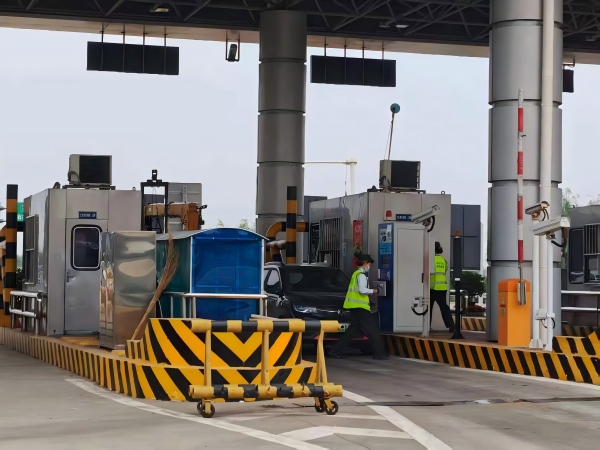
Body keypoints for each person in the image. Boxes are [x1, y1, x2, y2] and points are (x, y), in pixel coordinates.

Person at [328, 254, 388, 360]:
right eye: (369, 264)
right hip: (361, 308)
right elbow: (362, 290)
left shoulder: (355, 274)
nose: (369, 266)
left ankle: (336, 350)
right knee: (373, 329)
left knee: (353, 330)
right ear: (365, 263)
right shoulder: (361, 275)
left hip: (354, 307)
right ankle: (380, 353)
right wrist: (374, 291)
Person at [430, 242, 455, 332]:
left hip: (431, 287)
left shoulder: (430, 260)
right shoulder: (444, 261)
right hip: (442, 288)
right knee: (444, 307)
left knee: (428, 308)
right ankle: (451, 325)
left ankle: (427, 326)